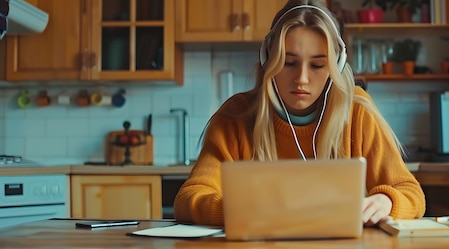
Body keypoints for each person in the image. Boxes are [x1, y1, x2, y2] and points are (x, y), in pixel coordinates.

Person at [174, 0, 426, 226]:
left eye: (318, 65)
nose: (302, 79)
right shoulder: (235, 116)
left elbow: (410, 192)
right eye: (289, 62)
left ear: (336, 67)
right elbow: (190, 197)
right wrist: (240, 210)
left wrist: (387, 201)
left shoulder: (357, 111)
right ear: (267, 59)